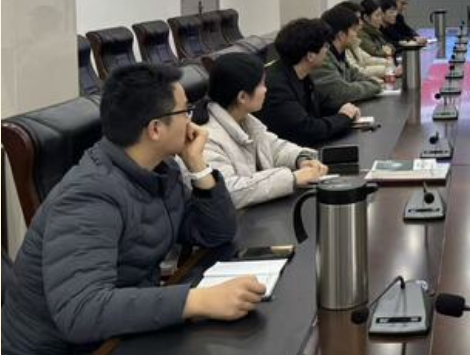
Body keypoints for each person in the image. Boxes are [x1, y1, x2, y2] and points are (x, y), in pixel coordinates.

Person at [1, 64, 262, 355]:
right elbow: (81, 312)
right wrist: (198, 301)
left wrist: (197, 165)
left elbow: (217, 232)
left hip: (120, 334)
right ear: (155, 129)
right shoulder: (89, 196)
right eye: (185, 111)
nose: (192, 122)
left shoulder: (160, 170)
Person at [203, 52, 330, 209]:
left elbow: (275, 148)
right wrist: (292, 178)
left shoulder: (244, 119)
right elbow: (230, 191)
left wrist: (301, 158)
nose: (266, 90)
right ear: (242, 97)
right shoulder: (207, 138)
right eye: (261, 85)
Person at [255, 18, 361, 147]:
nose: (327, 50)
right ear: (310, 56)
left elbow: (320, 105)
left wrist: (343, 108)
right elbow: (307, 130)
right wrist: (344, 117)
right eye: (325, 46)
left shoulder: (300, 74)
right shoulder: (275, 86)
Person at [313, 6, 383, 112]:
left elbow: (358, 76)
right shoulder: (322, 59)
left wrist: (371, 84)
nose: (357, 35)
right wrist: (373, 86)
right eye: (354, 30)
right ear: (341, 35)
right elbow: (342, 93)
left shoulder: (340, 55)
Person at [335, 0, 399, 81]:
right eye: (357, 19)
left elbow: (367, 59)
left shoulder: (374, 33)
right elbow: (357, 71)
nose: (361, 22)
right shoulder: (359, 36)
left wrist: (388, 65)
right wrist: (388, 69)